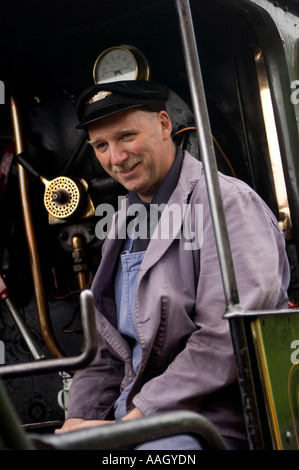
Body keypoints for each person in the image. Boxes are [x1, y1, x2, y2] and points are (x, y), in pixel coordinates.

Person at [57, 81, 290, 449]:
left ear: (165, 125)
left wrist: (133, 421)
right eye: (101, 146)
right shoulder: (123, 223)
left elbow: (228, 337)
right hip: (137, 420)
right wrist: (76, 421)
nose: (115, 157)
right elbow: (107, 350)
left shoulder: (227, 205)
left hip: (214, 426)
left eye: (126, 136)